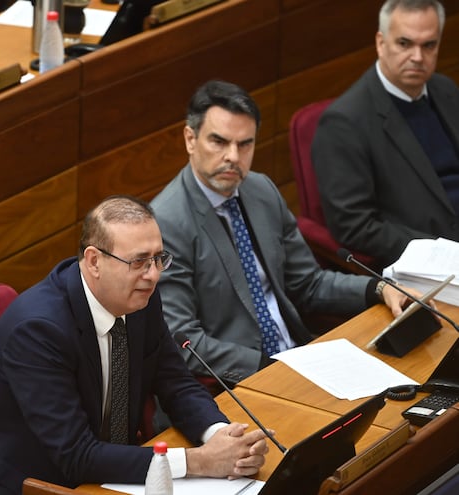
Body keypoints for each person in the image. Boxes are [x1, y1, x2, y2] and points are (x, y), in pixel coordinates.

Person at [0, 195, 269, 495]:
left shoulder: (140, 298)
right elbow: (75, 455)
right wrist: (200, 461)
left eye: (158, 259)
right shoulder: (37, 331)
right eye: (139, 262)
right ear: (94, 261)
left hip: (112, 472)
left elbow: (176, 384)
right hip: (30, 483)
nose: (153, 275)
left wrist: (221, 437)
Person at [151, 79, 418, 388]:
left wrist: (379, 288)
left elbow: (308, 284)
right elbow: (185, 341)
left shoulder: (260, 190)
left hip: (300, 356)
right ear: (190, 139)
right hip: (235, 382)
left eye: (245, 144)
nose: (233, 156)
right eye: (219, 142)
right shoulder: (166, 223)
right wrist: (272, 369)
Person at [312, 0, 459, 270]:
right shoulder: (344, 122)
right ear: (381, 43)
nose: (418, 57)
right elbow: (354, 226)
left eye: (429, 45)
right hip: (427, 265)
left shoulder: (445, 89)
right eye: (405, 43)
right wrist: (440, 253)